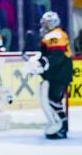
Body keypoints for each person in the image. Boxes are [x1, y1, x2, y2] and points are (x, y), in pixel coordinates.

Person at [25, 11, 73, 139]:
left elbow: (57, 55)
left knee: (53, 99)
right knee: (52, 99)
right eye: (44, 23)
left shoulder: (55, 34)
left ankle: (61, 127)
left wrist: (43, 62)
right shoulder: (52, 34)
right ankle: (59, 126)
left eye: (47, 23)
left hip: (59, 73)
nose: (45, 26)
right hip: (56, 72)